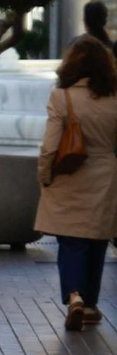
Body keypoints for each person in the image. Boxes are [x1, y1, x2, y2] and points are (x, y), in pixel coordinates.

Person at [35, 36, 117, 331]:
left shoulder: (62, 97)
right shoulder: (114, 97)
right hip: (105, 175)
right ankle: (90, 304)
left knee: (70, 241)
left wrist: (45, 175)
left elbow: (50, 145)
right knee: (97, 240)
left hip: (69, 174)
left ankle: (75, 297)